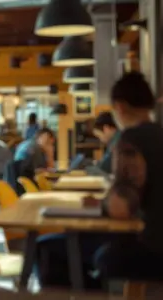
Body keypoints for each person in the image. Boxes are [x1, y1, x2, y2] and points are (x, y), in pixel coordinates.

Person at [36, 72, 163, 290]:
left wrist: (104, 204)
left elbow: (120, 208)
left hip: (152, 249)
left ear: (120, 106)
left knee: (46, 248)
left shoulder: (130, 139)